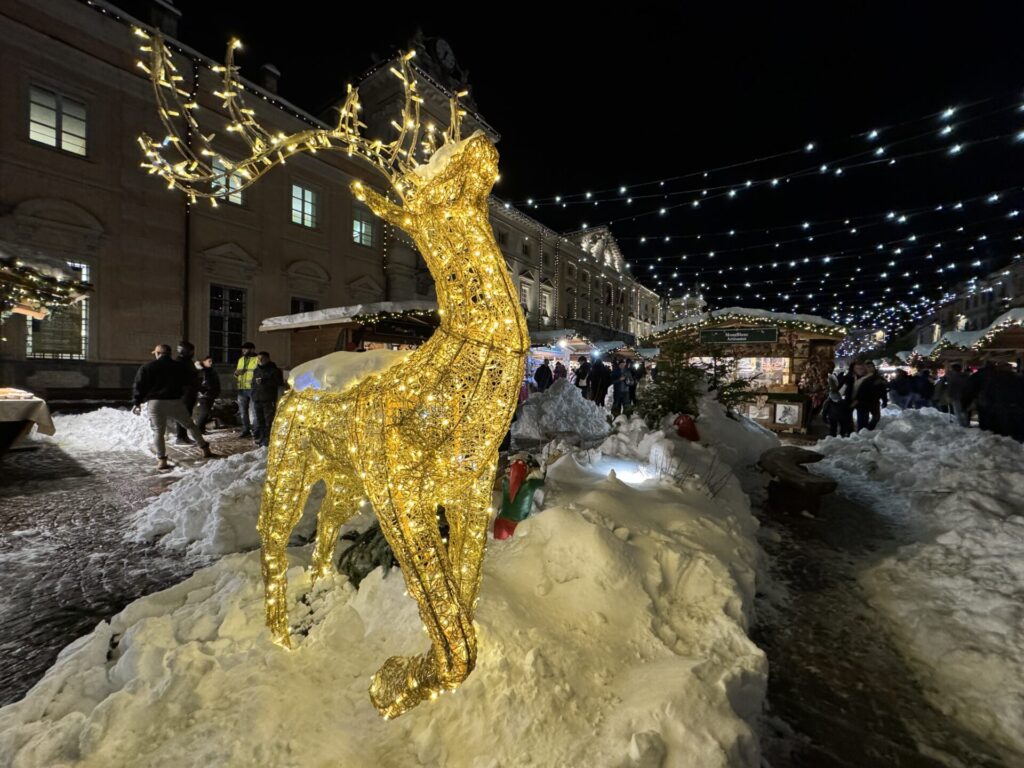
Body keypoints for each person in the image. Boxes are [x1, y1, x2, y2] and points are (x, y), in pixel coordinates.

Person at [132, 344, 214, 469]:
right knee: (190, 425)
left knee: (158, 432)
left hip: (155, 403)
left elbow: (139, 386)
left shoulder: (147, 367)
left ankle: (162, 461)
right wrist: (201, 389)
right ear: (170, 354)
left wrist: (136, 402)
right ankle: (205, 449)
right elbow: (191, 381)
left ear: (158, 353)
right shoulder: (179, 366)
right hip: (175, 401)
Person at [251, 351, 285, 447]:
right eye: (259, 358)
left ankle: (268, 439)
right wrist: (253, 395)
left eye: (262, 358)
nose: (260, 360)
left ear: (268, 359)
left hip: (268, 399)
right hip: (257, 399)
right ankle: (262, 437)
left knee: (268, 421)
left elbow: (279, 383)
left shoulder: (274, 370)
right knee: (260, 420)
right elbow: (253, 384)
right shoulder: (256, 370)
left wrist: (265, 381)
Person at [174, 340, 200, 445]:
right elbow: (182, 379)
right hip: (184, 394)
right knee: (182, 416)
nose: (192, 353)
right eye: (191, 351)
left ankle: (184, 436)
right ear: (185, 351)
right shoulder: (179, 362)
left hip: (190, 393)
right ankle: (180, 437)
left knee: (187, 415)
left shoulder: (187, 361)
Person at [234, 341, 259, 437]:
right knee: (243, 412)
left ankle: (256, 431)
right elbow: (237, 373)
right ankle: (245, 430)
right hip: (241, 389)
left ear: (252, 349)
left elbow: (259, 374)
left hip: (253, 389)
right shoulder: (241, 359)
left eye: (246, 349)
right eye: (243, 349)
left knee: (254, 412)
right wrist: (236, 374)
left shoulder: (257, 359)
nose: (243, 350)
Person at [194, 354, 222, 433]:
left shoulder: (211, 370)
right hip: (204, 395)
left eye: (212, 361)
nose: (211, 363)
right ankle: (198, 429)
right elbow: (198, 383)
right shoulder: (201, 371)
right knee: (205, 413)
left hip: (211, 394)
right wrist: (203, 391)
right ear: (204, 361)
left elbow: (215, 382)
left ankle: (202, 429)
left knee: (207, 413)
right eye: (209, 361)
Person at [822, 369, 850, 437]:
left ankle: (839, 435)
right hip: (835, 416)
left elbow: (825, 410)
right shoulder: (831, 402)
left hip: (836, 416)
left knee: (837, 426)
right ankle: (836, 435)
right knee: (834, 427)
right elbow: (825, 411)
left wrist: (824, 418)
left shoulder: (831, 402)